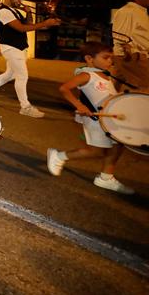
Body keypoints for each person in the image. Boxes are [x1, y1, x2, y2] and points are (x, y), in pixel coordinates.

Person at [46, 42, 135, 194]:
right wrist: (79, 105)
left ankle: (106, 177)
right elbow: (64, 88)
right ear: (89, 59)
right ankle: (59, 156)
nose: (110, 61)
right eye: (106, 57)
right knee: (96, 151)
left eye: (111, 58)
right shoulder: (87, 75)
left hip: (107, 118)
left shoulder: (106, 75)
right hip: (94, 119)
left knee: (117, 145)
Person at [0, 0, 61, 118]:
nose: (20, 0)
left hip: (19, 47)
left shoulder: (14, 11)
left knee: (10, 74)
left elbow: (29, 25)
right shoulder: (4, 11)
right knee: (22, 76)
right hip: (11, 48)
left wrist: (28, 12)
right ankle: (25, 107)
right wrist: (45, 23)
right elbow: (21, 28)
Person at [111, 0, 149, 92]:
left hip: (133, 54)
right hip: (133, 55)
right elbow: (120, 33)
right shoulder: (128, 11)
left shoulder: (139, 11)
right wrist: (127, 51)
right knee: (144, 87)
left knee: (115, 87)